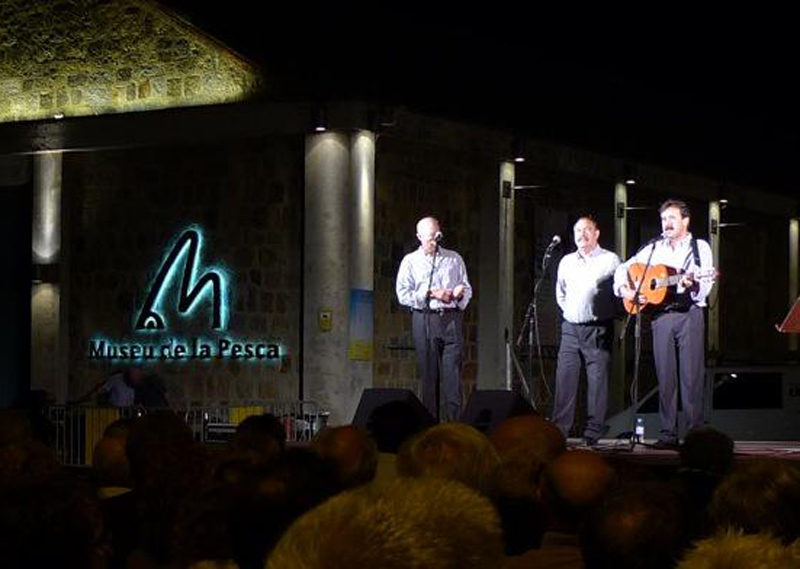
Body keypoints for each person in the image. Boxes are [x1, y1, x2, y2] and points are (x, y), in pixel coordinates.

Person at [614, 199, 715, 448]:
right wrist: (625, 290)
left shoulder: (698, 246)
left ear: (685, 221)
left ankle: (694, 435)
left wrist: (694, 284)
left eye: (671, 218)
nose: (666, 223)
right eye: (663, 219)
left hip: (688, 313)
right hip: (660, 316)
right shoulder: (654, 247)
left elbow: (706, 282)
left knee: (691, 377)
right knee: (665, 376)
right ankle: (668, 433)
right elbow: (624, 268)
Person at [552, 216, 621, 445]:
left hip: (598, 328)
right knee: (565, 378)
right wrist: (572, 312)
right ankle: (560, 430)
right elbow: (560, 294)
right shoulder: (566, 261)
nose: (582, 234)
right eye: (578, 230)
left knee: (597, 380)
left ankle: (593, 431)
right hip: (570, 328)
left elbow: (618, 293)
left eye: (587, 230)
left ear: (597, 233)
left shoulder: (610, 260)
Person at [396, 216, 472, 421]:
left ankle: (455, 427)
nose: (434, 241)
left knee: (452, 378)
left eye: (437, 236)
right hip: (425, 319)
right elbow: (403, 294)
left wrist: (459, 293)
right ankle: (429, 428)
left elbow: (466, 287)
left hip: (450, 319)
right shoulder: (411, 261)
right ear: (419, 237)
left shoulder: (454, 258)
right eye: (430, 237)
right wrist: (430, 293)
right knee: (429, 378)